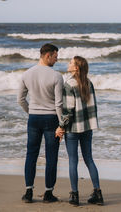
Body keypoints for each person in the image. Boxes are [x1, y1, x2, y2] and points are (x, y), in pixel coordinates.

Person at [17, 43, 63, 203]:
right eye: (55, 57)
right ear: (48, 55)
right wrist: (62, 124)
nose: (57, 60)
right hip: (51, 119)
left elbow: (20, 99)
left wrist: (31, 112)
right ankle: (48, 193)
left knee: (31, 154)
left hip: (34, 119)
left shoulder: (27, 74)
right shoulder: (56, 76)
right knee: (52, 156)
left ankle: (28, 192)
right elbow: (59, 104)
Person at [56, 56, 104, 206]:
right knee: (89, 159)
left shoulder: (69, 84)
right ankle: (98, 193)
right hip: (87, 128)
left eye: (71, 63)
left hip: (73, 129)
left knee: (73, 160)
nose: (68, 64)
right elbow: (93, 108)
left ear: (76, 68)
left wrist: (61, 126)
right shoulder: (88, 83)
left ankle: (75, 195)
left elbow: (68, 110)